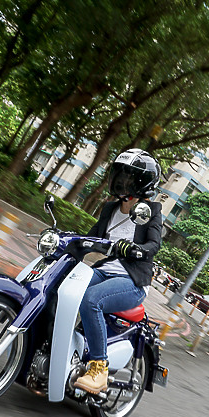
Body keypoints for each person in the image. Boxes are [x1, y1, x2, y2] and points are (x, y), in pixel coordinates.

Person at [73, 149, 163, 394]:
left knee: (92, 300)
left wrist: (136, 249)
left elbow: (154, 245)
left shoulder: (150, 211)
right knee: (65, 284)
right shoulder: (110, 209)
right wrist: (67, 240)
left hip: (132, 281)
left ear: (143, 183)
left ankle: (99, 369)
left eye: (129, 176)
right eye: (120, 174)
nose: (122, 180)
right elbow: (90, 236)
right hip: (105, 271)